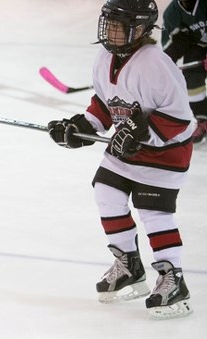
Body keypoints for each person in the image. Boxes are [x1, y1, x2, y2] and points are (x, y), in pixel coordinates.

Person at [47, 0, 193, 320]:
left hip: (165, 153)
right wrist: (79, 128)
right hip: (128, 149)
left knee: (153, 212)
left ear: (140, 28)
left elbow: (181, 121)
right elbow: (104, 103)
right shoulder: (105, 58)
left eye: (119, 24)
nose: (111, 30)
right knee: (106, 192)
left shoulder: (156, 63)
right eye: (109, 22)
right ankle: (129, 264)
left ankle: (174, 279)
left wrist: (141, 135)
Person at [160, 0, 207, 143]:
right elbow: (171, 48)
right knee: (191, 81)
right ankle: (203, 118)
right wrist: (167, 66)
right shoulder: (172, 13)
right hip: (198, 48)